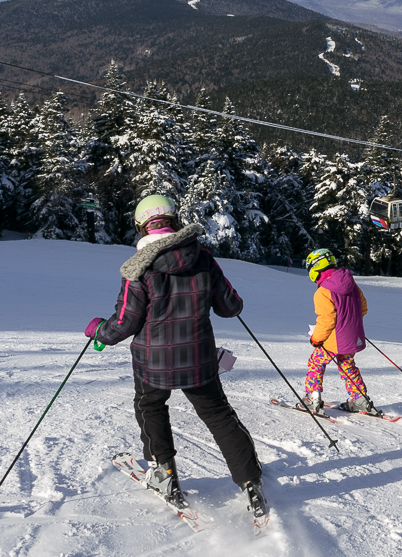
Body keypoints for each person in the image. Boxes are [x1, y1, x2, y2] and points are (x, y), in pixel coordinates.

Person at [84, 194, 268, 521]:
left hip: (152, 363)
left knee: (151, 406)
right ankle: (251, 481)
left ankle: (164, 475)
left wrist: (100, 331)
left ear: (142, 227)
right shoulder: (203, 259)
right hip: (199, 359)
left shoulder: (138, 270)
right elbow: (230, 307)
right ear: (174, 221)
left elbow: (125, 322)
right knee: (219, 415)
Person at [298, 248, 381, 417]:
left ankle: (313, 399)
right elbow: (362, 307)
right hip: (353, 336)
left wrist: (316, 338)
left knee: (316, 363)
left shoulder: (323, 291)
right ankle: (360, 399)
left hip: (333, 339)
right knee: (347, 365)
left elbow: (327, 320)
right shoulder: (351, 284)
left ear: (315, 268)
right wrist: (349, 325)